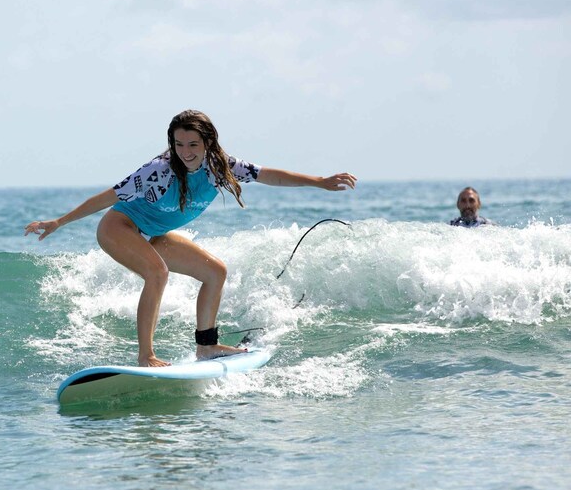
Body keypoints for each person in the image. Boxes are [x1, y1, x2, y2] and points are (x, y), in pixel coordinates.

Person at [25, 110, 357, 367]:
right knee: (157, 273)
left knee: (216, 272)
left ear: (208, 143)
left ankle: (207, 346)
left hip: (154, 233)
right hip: (119, 227)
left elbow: (269, 175)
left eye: (192, 144)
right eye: (179, 144)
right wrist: (60, 222)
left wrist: (319, 181)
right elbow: (108, 197)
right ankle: (146, 355)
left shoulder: (220, 166)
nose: (185, 152)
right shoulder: (157, 170)